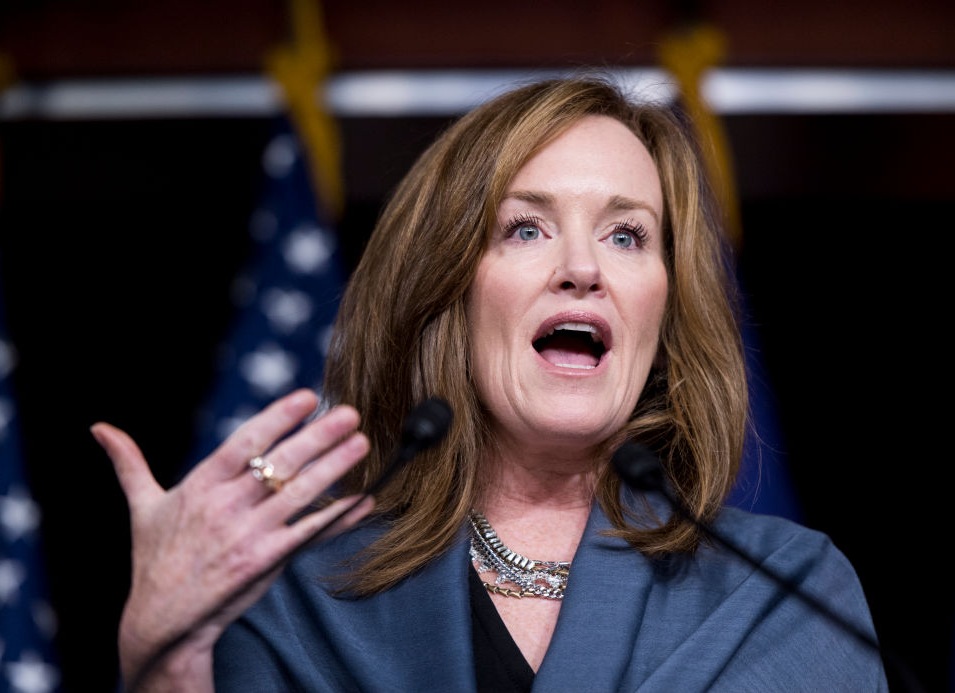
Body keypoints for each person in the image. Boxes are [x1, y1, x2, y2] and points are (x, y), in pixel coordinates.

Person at [93, 78, 887, 692]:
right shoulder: (298, 594)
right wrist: (163, 659)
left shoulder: (783, 593)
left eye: (626, 234)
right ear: (449, 292)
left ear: (666, 306)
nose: (582, 269)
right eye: (526, 228)